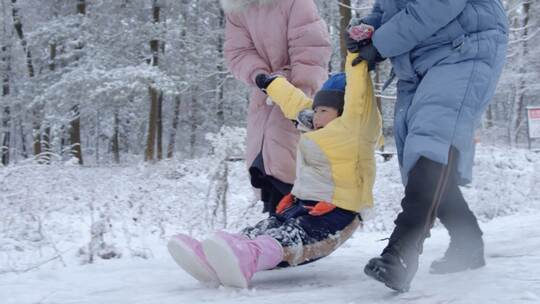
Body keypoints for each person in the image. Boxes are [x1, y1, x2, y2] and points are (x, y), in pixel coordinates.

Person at [167, 53, 382, 288]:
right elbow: (295, 103)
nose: (315, 116)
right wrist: (271, 83)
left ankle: (246, 257)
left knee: (292, 239)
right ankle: (216, 256)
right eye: (316, 109)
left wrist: (358, 58)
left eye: (323, 111)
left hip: (336, 212)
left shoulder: (355, 129)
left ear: (342, 112)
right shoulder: (313, 126)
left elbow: (359, 99)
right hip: (301, 205)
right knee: (265, 228)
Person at [345, 0, 509, 292]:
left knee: (432, 143)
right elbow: (389, 8)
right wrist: (369, 28)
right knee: (419, 154)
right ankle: (467, 241)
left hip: (465, 47)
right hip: (416, 58)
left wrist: (381, 44)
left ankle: (402, 252)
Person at [220, 0, 332, 215]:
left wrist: (298, 94)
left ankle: (302, 224)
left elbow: (311, 50)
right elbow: (238, 51)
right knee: (265, 166)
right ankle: (275, 227)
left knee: (291, 164)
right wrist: (260, 76)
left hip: (298, 92)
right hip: (263, 95)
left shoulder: (295, 3)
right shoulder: (238, 8)